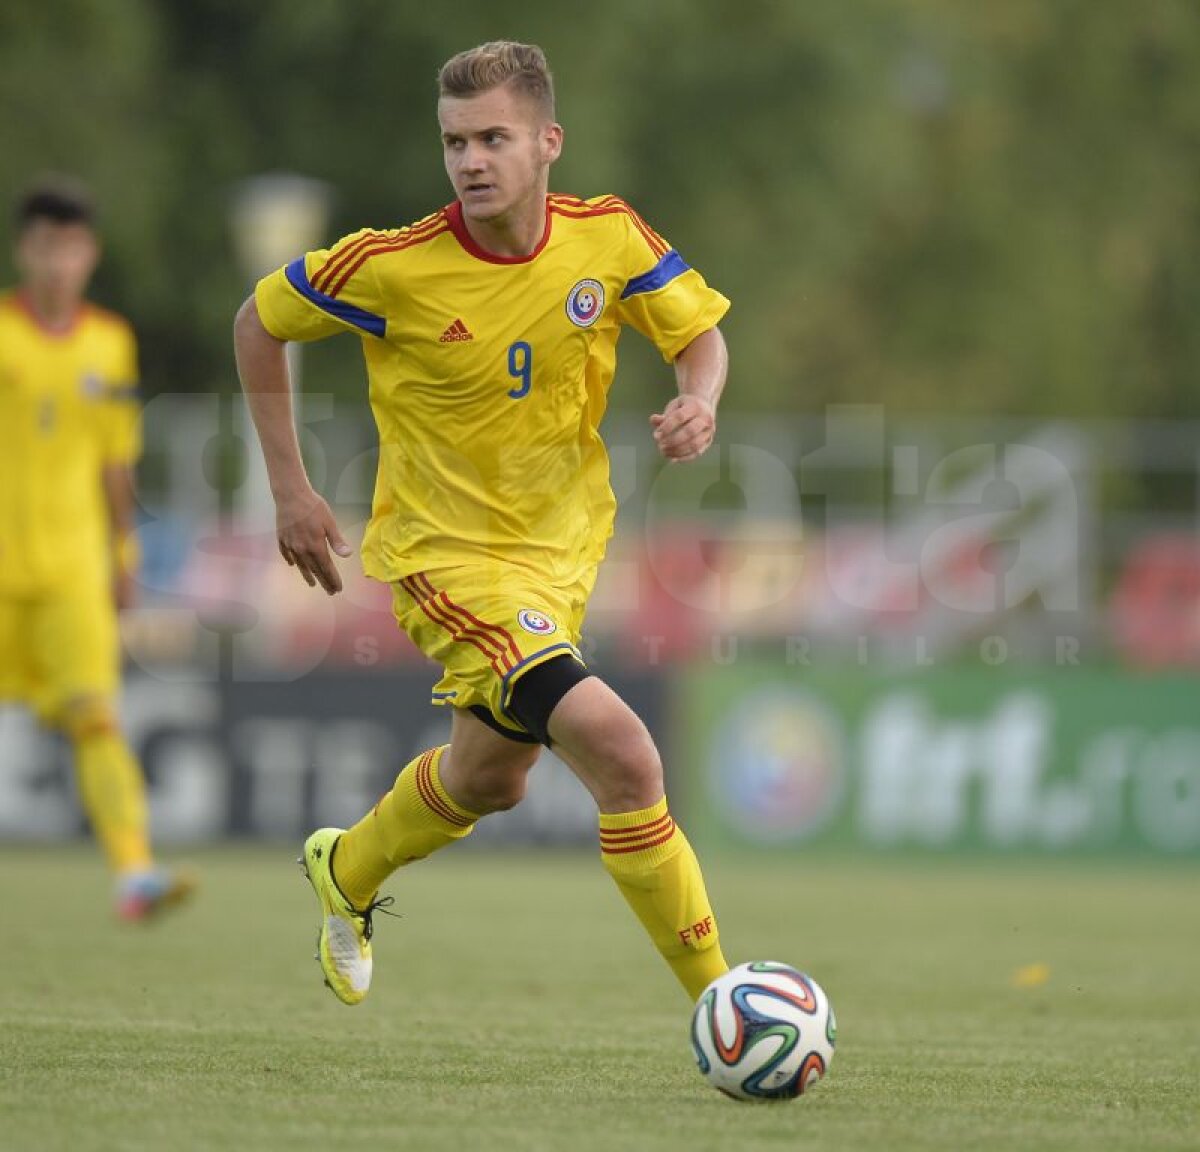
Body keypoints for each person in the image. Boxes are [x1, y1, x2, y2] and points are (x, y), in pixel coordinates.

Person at [234, 40, 730, 1006]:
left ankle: (349, 870)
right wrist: (290, 489)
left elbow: (697, 332)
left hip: (564, 552)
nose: (470, 160)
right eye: (455, 141)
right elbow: (257, 323)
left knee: (489, 780)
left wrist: (699, 398)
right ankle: (727, 1001)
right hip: (444, 559)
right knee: (624, 752)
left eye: (493, 137)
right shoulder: (393, 266)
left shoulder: (607, 237)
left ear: (548, 142)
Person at [0, 178, 195, 920]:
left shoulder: (109, 341)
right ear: (25, 250)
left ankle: (134, 872)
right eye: (46, 247)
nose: (58, 263)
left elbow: (117, 461)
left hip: (74, 568)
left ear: (91, 255)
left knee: (96, 716)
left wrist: (123, 554)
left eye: (72, 248)